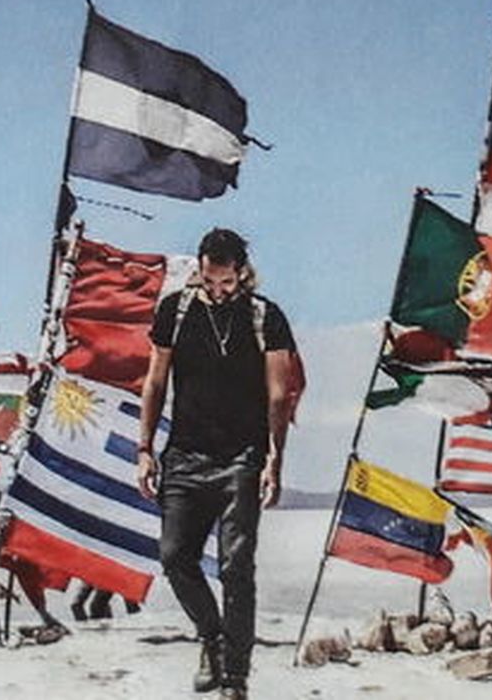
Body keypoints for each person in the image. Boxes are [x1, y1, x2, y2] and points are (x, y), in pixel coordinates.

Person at [137, 229, 296, 700]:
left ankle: (235, 680)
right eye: (210, 281)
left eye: (227, 282)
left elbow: (278, 393)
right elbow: (154, 382)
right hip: (185, 456)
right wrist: (144, 449)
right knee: (174, 557)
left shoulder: (266, 317)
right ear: (199, 271)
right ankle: (211, 637)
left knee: (236, 568)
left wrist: (274, 460)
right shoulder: (176, 311)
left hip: (242, 459)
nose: (218, 290)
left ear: (242, 273)